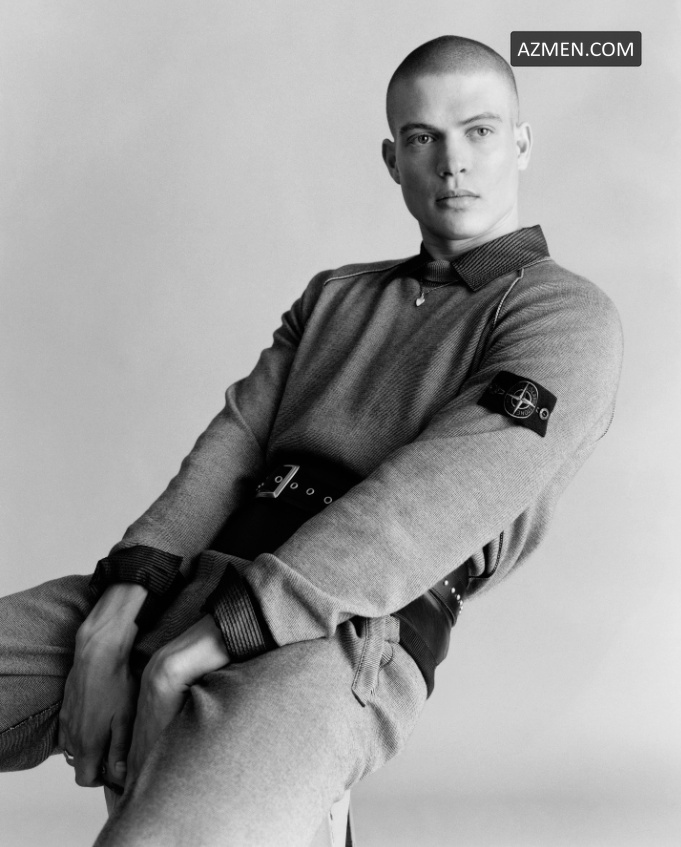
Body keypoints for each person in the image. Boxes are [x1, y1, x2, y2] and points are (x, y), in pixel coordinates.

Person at [0, 35, 623, 846]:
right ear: (391, 159)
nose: (452, 163)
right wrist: (116, 614)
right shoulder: (334, 296)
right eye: (422, 137)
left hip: (337, 637)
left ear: (521, 143)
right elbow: (230, 448)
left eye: (479, 131)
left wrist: (190, 653)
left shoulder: (564, 315)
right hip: (193, 577)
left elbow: (419, 511)